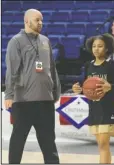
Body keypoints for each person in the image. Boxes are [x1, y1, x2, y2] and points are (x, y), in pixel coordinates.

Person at [4, 9, 61, 164]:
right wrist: (8, 95)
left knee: (49, 141)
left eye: (41, 20)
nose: (40, 23)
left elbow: (52, 68)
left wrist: (56, 92)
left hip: (46, 101)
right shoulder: (16, 41)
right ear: (27, 21)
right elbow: (12, 70)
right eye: (37, 20)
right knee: (18, 139)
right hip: (24, 101)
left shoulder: (45, 40)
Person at [72, 33, 114, 164]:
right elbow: (86, 85)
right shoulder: (88, 65)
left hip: (108, 109)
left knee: (103, 143)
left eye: (100, 46)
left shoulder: (112, 64)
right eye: (94, 46)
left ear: (107, 48)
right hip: (94, 109)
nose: (96, 49)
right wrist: (78, 89)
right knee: (100, 145)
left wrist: (110, 86)